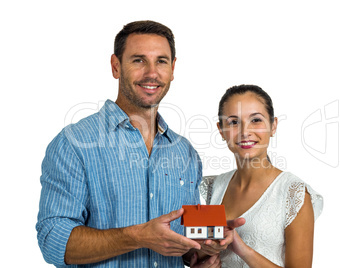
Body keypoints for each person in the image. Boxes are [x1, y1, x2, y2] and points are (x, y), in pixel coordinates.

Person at [36, 20, 240, 268]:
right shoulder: (75, 143)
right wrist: (138, 236)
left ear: (173, 69)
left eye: (161, 61)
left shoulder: (185, 152)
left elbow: (184, 244)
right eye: (138, 60)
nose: (151, 73)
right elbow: (52, 241)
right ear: (116, 66)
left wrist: (207, 248)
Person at [201, 85, 323, 267]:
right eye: (233, 122)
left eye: (256, 120)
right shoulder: (213, 187)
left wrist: (241, 247)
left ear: (273, 126)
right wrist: (203, 258)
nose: (245, 132)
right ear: (221, 130)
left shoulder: (294, 194)